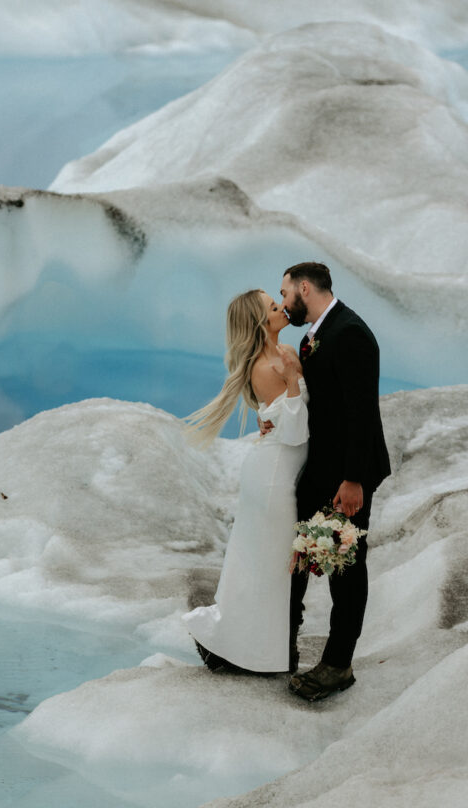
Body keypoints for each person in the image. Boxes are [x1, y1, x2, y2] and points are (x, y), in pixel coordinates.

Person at [279, 262, 391, 701]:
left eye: (285, 293)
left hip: (348, 474)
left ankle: (338, 664)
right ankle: (281, 644)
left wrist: (354, 480)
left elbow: (361, 413)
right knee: (300, 555)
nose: (284, 303)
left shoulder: (350, 334)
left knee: (344, 564)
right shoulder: (314, 336)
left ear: (305, 288)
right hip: (321, 467)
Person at [182, 288, 308, 673]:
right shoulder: (267, 367)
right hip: (274, 475)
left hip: (279, 468)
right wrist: (290, 383)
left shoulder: (283, 353)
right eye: (274, 307)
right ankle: (241, 649)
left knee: (265, 564)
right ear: (261, 322)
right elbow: (296, 431)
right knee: (266, 566)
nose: (282, 307)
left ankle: (252, 648)